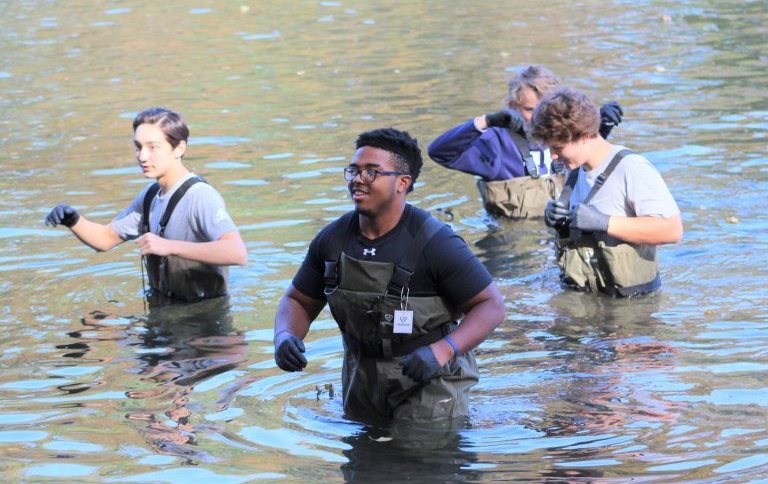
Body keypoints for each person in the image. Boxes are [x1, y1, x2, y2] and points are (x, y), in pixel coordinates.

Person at [273, 127, 505, 422]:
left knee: (422, 458)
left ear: (402, 183)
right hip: (361, 379)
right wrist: (284, 335)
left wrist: (444, 350)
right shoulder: (332, 240)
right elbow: (298, 300)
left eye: (371, 172)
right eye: (354, 171)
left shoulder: (437, 243)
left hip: (431, 380)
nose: (358, 179)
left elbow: (491, 305)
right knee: (362, 464)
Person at [44, 107, 247, 302]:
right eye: (138, 147)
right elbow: (105, 239)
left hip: (205, 319)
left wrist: (168, 246)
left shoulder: (200, 196)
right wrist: (73, 220)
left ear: (179, 149)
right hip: (163, 311)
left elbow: (237, 252)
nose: (142, 156)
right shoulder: (149, 196)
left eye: (153, 147)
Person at [530, 87, 683, 297]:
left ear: (584, 136)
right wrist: (561, 223)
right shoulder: (576, 173)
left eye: (557, 147)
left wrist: (604, 222)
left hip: (632, 307)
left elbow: (672, 230)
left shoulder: (631, 167)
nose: (553, 156)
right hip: (588, 298)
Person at [428, 65, 624, 219]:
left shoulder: (567, 137)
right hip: (514, 246)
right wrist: (486, 121)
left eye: (546, 108)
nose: (540, 116)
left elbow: (589, 165)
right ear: (513, 105)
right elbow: (440, 152)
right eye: (531, 110)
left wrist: (599, 126)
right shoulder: (495, 143)